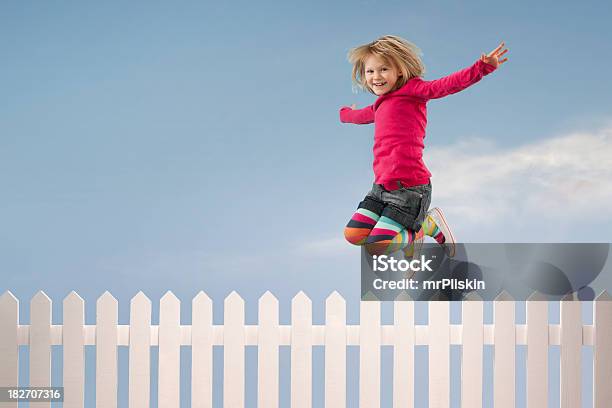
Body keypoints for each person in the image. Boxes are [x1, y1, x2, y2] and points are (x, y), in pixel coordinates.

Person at [341, 35, 508, 257]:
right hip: (380, 188)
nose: (376, 77)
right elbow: (360, 116)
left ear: (399, 70)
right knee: (353, 235)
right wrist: (344, 114)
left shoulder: (413, 90)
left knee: (376, 247)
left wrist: (482, 68)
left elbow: (446, 85)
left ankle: (426, 225)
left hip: (409, 189)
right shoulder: (380, 104)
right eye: (370, 72)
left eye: (383, 70)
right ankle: (413, 229)